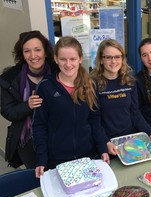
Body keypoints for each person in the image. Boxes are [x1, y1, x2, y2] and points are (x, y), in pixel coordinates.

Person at [33, 36, 109, 178]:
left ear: (80, 59)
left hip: (87, 155)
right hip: (57, 159)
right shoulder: (46, 87)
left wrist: (102, 148)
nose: (68, 64)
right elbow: (39, 125)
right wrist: (41, 159)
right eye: (63, 59)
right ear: (56, 59)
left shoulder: (90, 84)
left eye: (73, 59)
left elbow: (95, 120)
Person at [90, 39, 151, 156]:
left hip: (130, 141)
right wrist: (104, 143)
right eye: (108, 57)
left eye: (117, 57)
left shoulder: (129, 81)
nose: (113, 61)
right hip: (109, 144)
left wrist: (149, 133)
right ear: (101, 60)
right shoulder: (93, 84)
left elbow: (135, 113)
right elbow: (94, 120)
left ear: (122, 59)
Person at [0, 31, 58, 168]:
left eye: (37, 50)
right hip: (29, 141)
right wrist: (28, 105)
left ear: (45, 51)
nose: (33, 56)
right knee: (37, 178)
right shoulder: (9, 79)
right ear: (22, 54)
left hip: (58, 134)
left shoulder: (58, 71)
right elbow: (7, 112)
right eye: (27, 51)